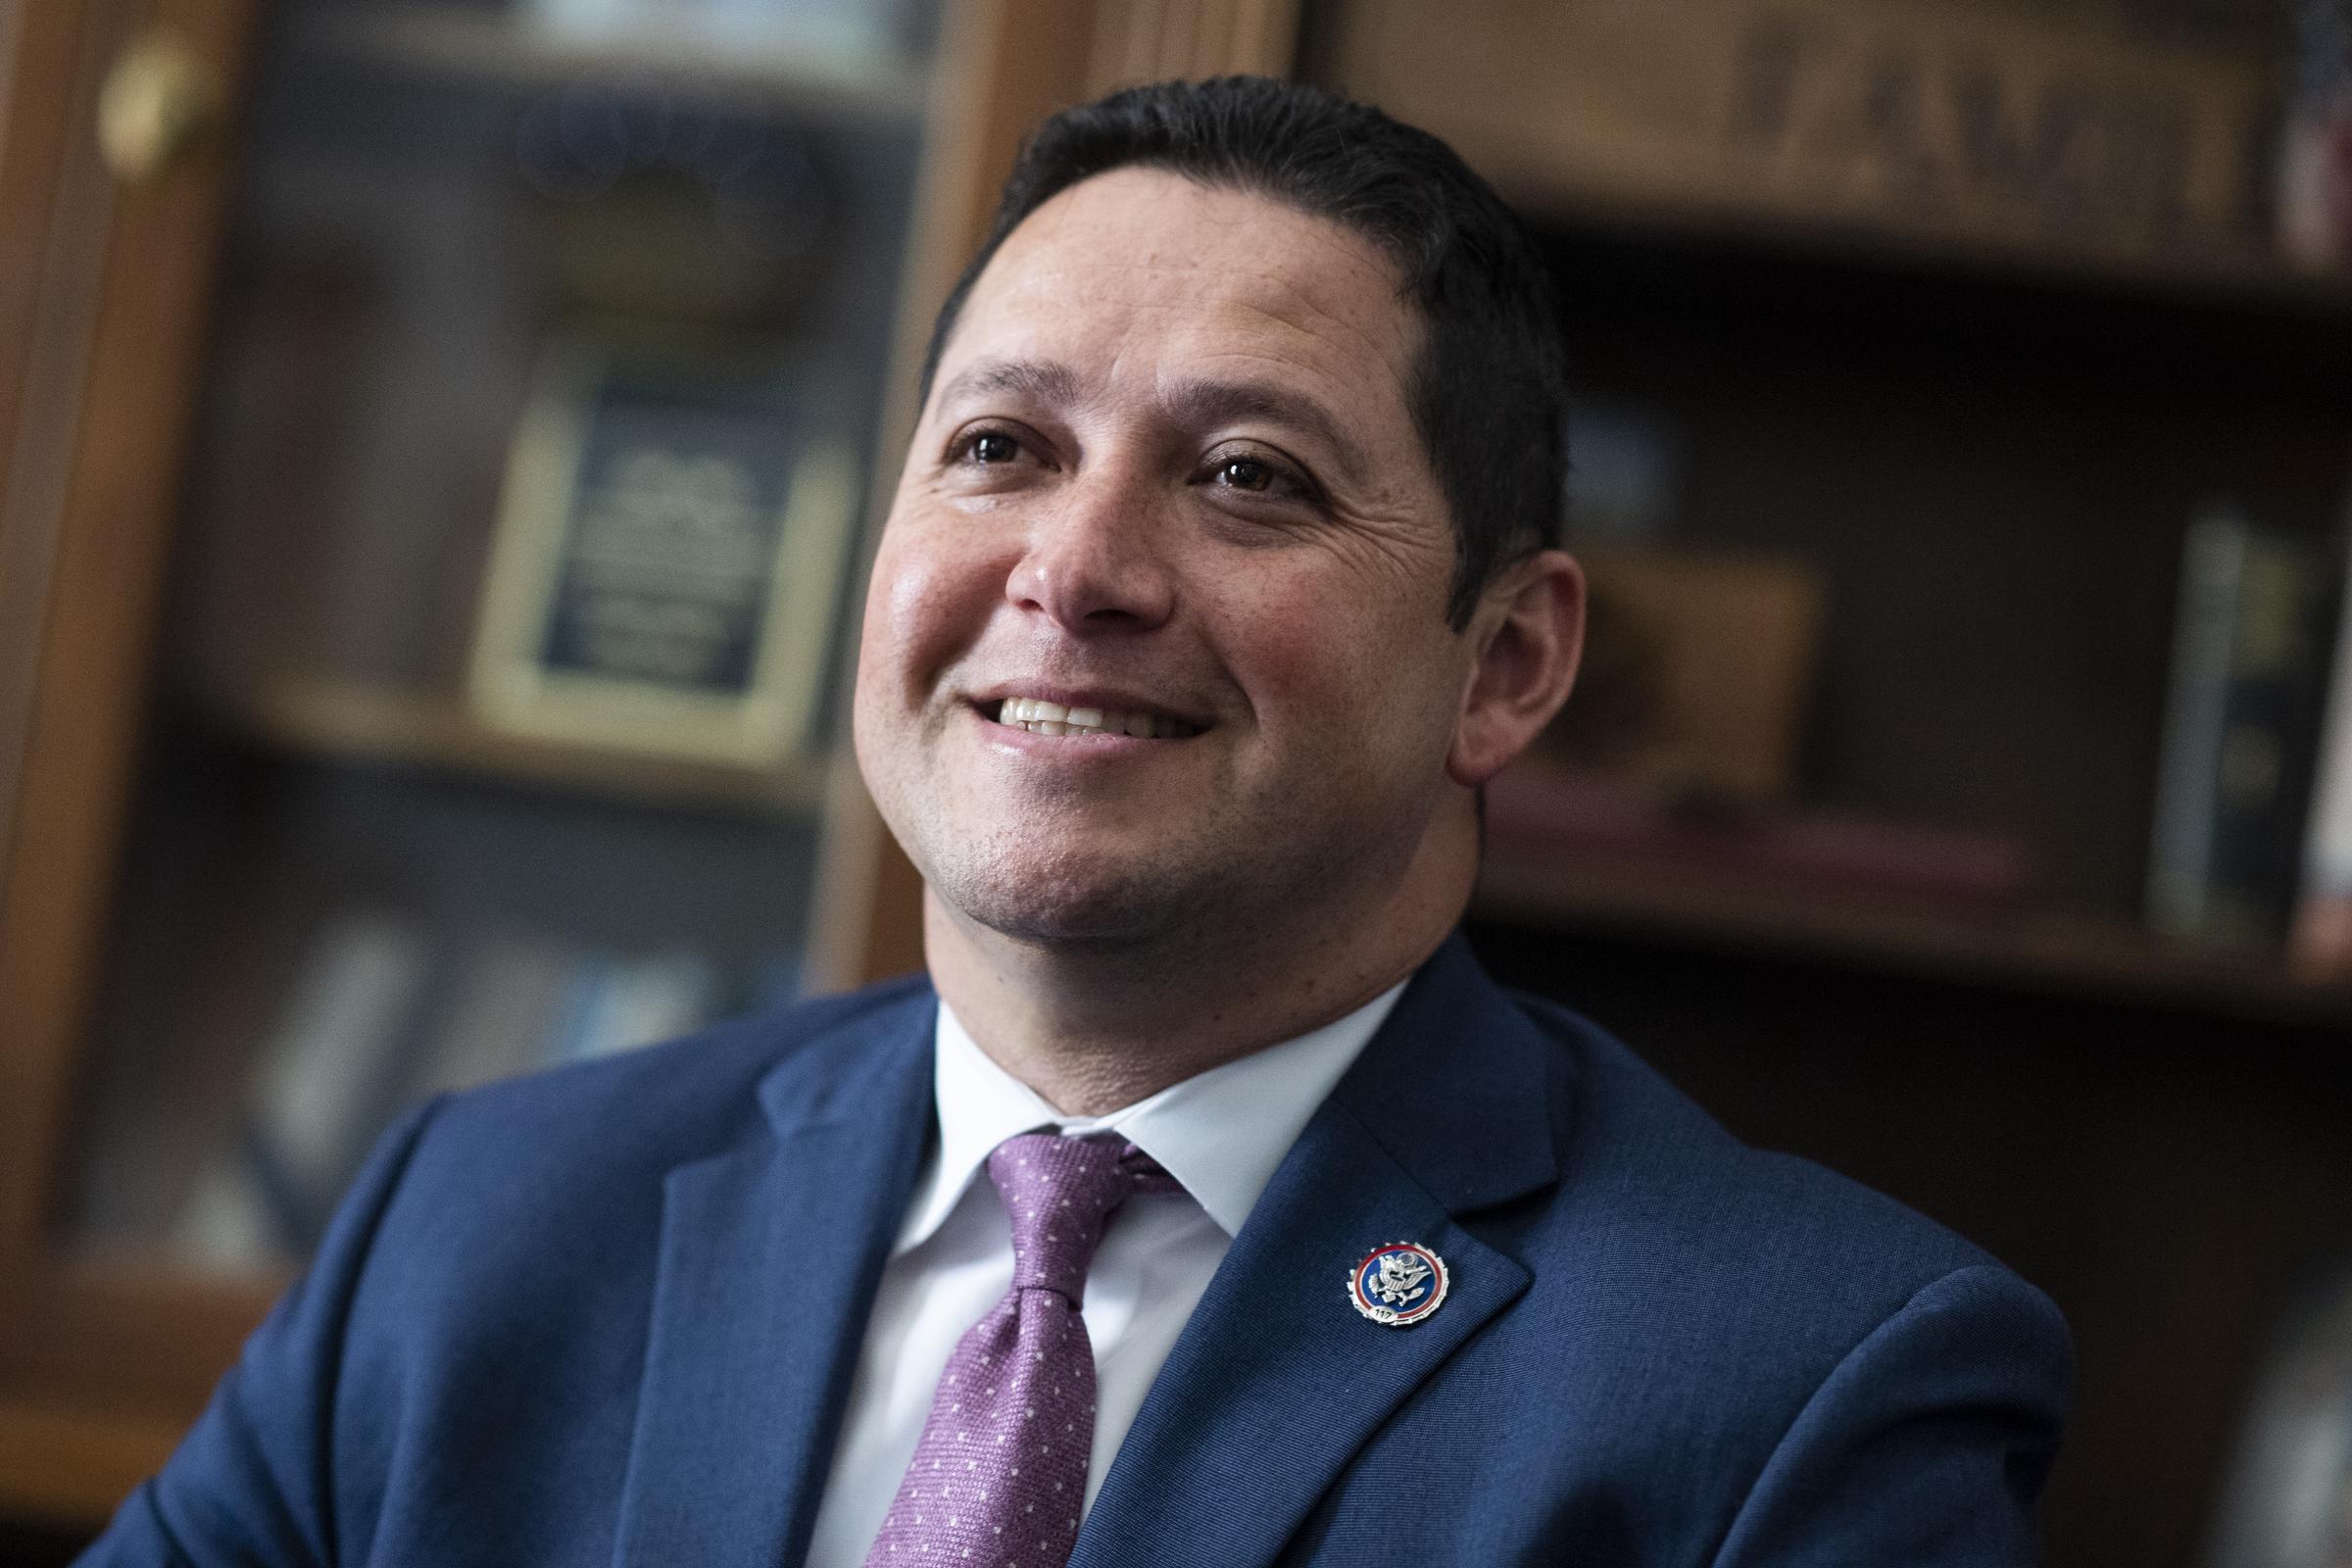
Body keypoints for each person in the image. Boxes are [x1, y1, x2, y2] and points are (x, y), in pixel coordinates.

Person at [79, 76, 2069, 1568]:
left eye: (1246, 474)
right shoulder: (481, 1222)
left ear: (1508, 664)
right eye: (1000, 448)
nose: (1079, 566)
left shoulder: (1804, 1393)